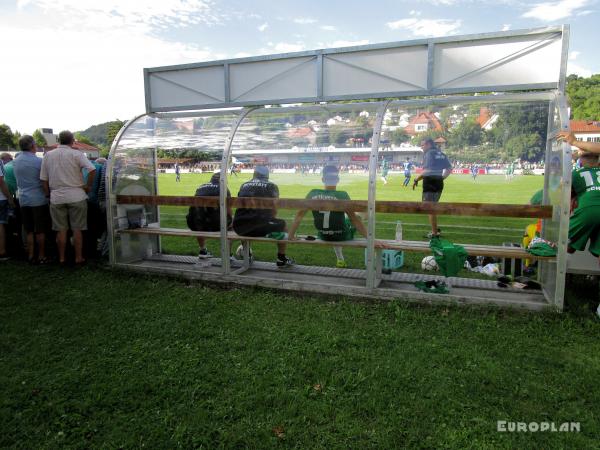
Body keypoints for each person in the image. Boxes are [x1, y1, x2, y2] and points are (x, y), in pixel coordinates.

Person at [288, 165, 368, 268]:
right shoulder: (342, 195)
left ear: (322, 179)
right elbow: (355, 220)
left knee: (338, 219)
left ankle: (340, 259)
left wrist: (290, 236)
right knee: (361, 214)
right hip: (342, 235)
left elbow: (299, 215)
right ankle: (343, 258)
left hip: (323, 235)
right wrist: (371, 240)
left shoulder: (312, 193)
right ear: (338, 179)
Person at [40, 130, 96, 265]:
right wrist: (88, 186)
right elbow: (92, 169)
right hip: (76, 195)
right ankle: (78, 258)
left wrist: (48, 193)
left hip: (56, 196)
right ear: (72, 141)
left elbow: (43, 179)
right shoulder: (77, 154)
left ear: (58, 140)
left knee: (61, 230)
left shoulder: (48, 155)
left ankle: (62, 258)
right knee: (77, 229)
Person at [232, 165, 295, 267]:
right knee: (283, 224)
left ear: (254, 174)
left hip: (240, 227)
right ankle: (281, 258)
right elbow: (274, 210)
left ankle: (247, 254)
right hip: (260, 227)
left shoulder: (244, 185)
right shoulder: (272, 186)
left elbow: (240, 207)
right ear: (267, 175)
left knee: (245, 220)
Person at [13, 135, 50, 264]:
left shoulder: (15, 161)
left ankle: (30, 255)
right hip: (38, 199)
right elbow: (44, 180)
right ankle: (41, 255)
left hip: (23, 198)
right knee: (40, 229)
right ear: (32, 146)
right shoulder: (38, 162)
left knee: (29, 229)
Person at [412, 138, 452, 239]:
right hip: (439, 183)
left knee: (429, 209)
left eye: (422, 145)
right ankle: (435, 230)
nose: (421, 147)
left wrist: (417, 178)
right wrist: (442, 178)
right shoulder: (441, 153)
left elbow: (427, 170)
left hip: (430, 183)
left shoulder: (429, 154)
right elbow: (449, 168)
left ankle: (434, 233)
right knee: (432, 208)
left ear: (428, 144)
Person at [186, 172, 232, 259]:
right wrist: (231, 220)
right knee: (231, 226)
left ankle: (203, 250)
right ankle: (227, 254)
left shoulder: (200, 187)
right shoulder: (223, 188)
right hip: (214, 225)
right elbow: (229, 210)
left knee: (199, 219)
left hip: (195, 223)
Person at [567, 151, 600, 265]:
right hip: (592, 209)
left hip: (588, 211)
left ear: (581, 161)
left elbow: (564, 194)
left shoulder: (575, 173)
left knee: (562, 240)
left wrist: (574, 196)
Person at [0, 155, 16, 260]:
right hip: (0, 198)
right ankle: (2, 251)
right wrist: (10, 198)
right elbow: (1, 182)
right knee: (0, 224)